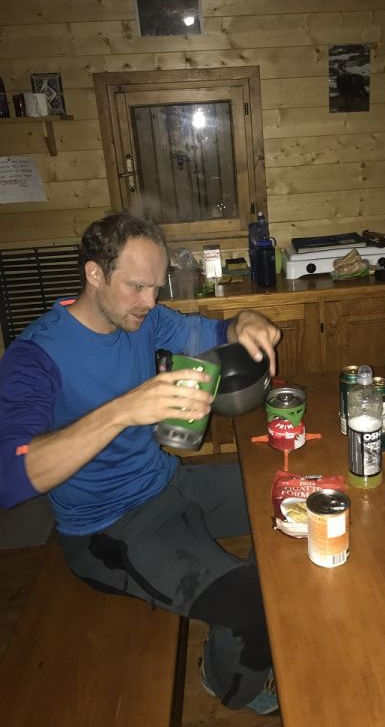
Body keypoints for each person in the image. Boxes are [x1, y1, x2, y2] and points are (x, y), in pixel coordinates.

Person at [0, 212, 281, 715]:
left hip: (167, 482)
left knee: (283, 494)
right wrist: (122, 410)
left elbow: (209, 331)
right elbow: (8, 478)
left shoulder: (139, 317)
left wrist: (243, 321)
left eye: (156, 286)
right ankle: (226, 683)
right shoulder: (35, 356)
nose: (150, 302)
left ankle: (234, 593)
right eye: (136, 286)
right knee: (257, 602)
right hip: (107, 531)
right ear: (94, 273)